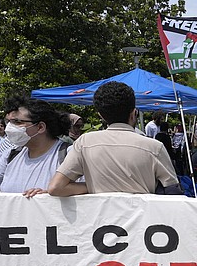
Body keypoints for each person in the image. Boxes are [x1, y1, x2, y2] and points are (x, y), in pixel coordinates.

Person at [49, 81, 180, 196]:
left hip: (99, 222)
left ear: (101, 115)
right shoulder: (154, 147)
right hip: (142, 221)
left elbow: (56, 187)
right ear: (134, 113)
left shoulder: (85, 142)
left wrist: (95, 187)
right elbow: (173, 191)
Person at [0, 95, 73, 197]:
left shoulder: (69, 155)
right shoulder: (11, 154)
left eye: (17, 122)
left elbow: (87, 190)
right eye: (8, 122)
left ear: (40, 127)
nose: (9, 127)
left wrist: (51, 193)